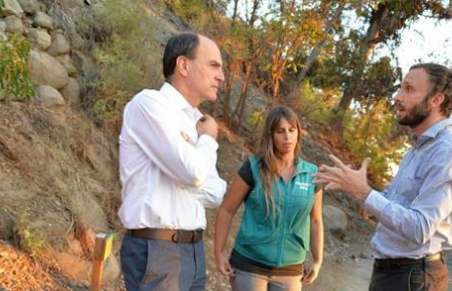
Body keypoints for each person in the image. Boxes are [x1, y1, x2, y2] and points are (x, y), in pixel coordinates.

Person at [313, 63, 452, 291]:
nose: (397, 97)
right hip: (394, 274)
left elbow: (420, 228)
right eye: (400, 88)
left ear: (436, 99)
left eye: (408, 89)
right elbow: (396, 208)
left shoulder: (448, 151)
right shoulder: (419, 149)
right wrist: (355, 188)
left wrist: (365, 192)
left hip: (413, 278)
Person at [117, 32, 227, 291]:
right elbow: (196, 173)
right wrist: (207, 141)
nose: (221, 76)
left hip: (194, 252)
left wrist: (185, 171)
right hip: (157, 251)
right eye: (213, 65)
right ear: (184, 65)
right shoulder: (149, 105)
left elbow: (216, 193)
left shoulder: (196, 119)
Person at [214, 105, 324, 291]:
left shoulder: (311, 174)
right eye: (280, 131)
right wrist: (219, 252)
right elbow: (227, 209)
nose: (287, 137)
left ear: (298, 132)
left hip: (291, 269)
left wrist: (317, 260)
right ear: (271, 135)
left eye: (291, 130)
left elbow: (315, 220)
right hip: (250, 264)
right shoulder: (253, 168)